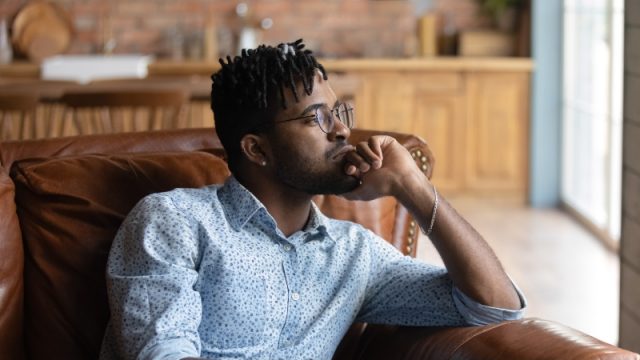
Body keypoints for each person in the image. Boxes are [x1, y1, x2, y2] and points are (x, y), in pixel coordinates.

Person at [99, 39, 526, 360]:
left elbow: (494, 306)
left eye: (339, 113)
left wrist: (411, 186)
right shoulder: (175, 220)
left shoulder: (354, 255)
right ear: (256, 149)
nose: (341, 131)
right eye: (316, 118)